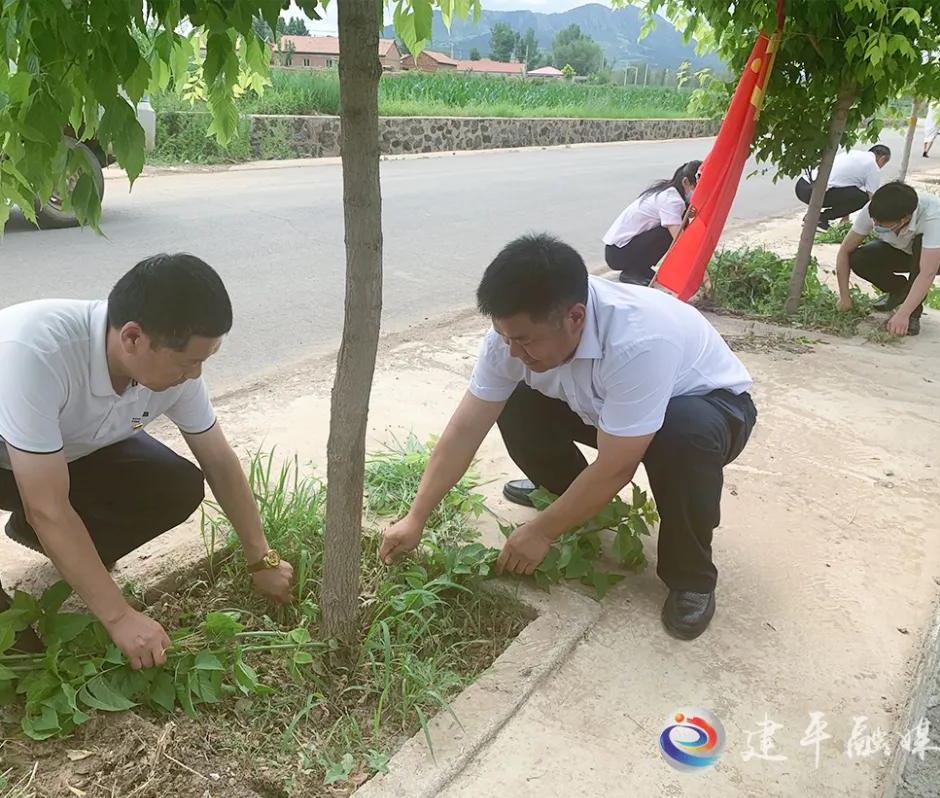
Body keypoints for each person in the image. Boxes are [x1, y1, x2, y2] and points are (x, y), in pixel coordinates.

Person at [0, 254, 294, 668]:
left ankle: (44, 542)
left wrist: (260, 557)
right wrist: (119, 616)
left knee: (175, 483)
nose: (194, 374)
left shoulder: (175, 372)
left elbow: (219, 461)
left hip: (56, 455)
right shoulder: (34, 353)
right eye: (188, 361)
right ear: (133, 338)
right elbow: (47, 506)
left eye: (203, 361)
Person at [379, 234, 757, 640]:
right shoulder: (512, 338)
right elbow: (466, 428)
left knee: (684, 434)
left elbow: (617, 467)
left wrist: (539, 533)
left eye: (524, 340)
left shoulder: (639, 341)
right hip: (605, 407)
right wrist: (415, 517)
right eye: (505, 337)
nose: (512, 351)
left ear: (575, 317)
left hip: (706, 408)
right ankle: (565, 498)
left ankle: (692, 577)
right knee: (515, 399)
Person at [836, 181, 940, 337]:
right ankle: (899, 290)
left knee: (920, 246)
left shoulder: (933, 216)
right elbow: (844, 251)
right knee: (859, 258)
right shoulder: (875, 208)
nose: (876, 225)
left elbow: (927, 273)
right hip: (902, 250)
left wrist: (903, 315)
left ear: (904, 220)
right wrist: (844, 298)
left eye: (881, 224)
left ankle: (912, 315)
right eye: (874, 221)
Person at [602, 160, 701, 286]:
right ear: (686, 182)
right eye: (697, 187)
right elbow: (679, 239)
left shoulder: (669, 192)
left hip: (618, 250)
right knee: (669, 232)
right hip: (618, 253)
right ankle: (633, 272)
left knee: (677, 225)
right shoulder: (672, 200)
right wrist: (696, 267)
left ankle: (641, 268)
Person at [795, 145, 891, 230]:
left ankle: (814, 218)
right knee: (863, 198)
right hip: (816, 192)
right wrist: (877, 225)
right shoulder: (872, 166)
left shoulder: (853, 153)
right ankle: (818, 219)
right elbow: (872, 199)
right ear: (882, 159)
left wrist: (845, 217)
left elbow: (845, 186)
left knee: (854, 194)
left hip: (802, 186)